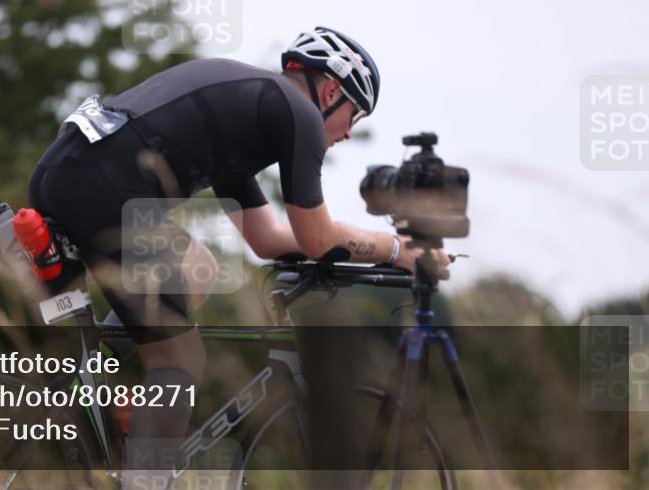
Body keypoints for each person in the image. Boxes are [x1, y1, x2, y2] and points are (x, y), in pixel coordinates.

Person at [26, 25, 451, 487]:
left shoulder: (248, 113)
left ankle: (95, 385)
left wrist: (361, 253)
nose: (349, 132)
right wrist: (396, 249)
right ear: (331, 90)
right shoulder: (298, 116)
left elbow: (266, 239)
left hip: (64, 173)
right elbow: (317, 238)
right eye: (355, 114)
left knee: (199, 269)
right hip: (106, 188)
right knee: (179, 360)